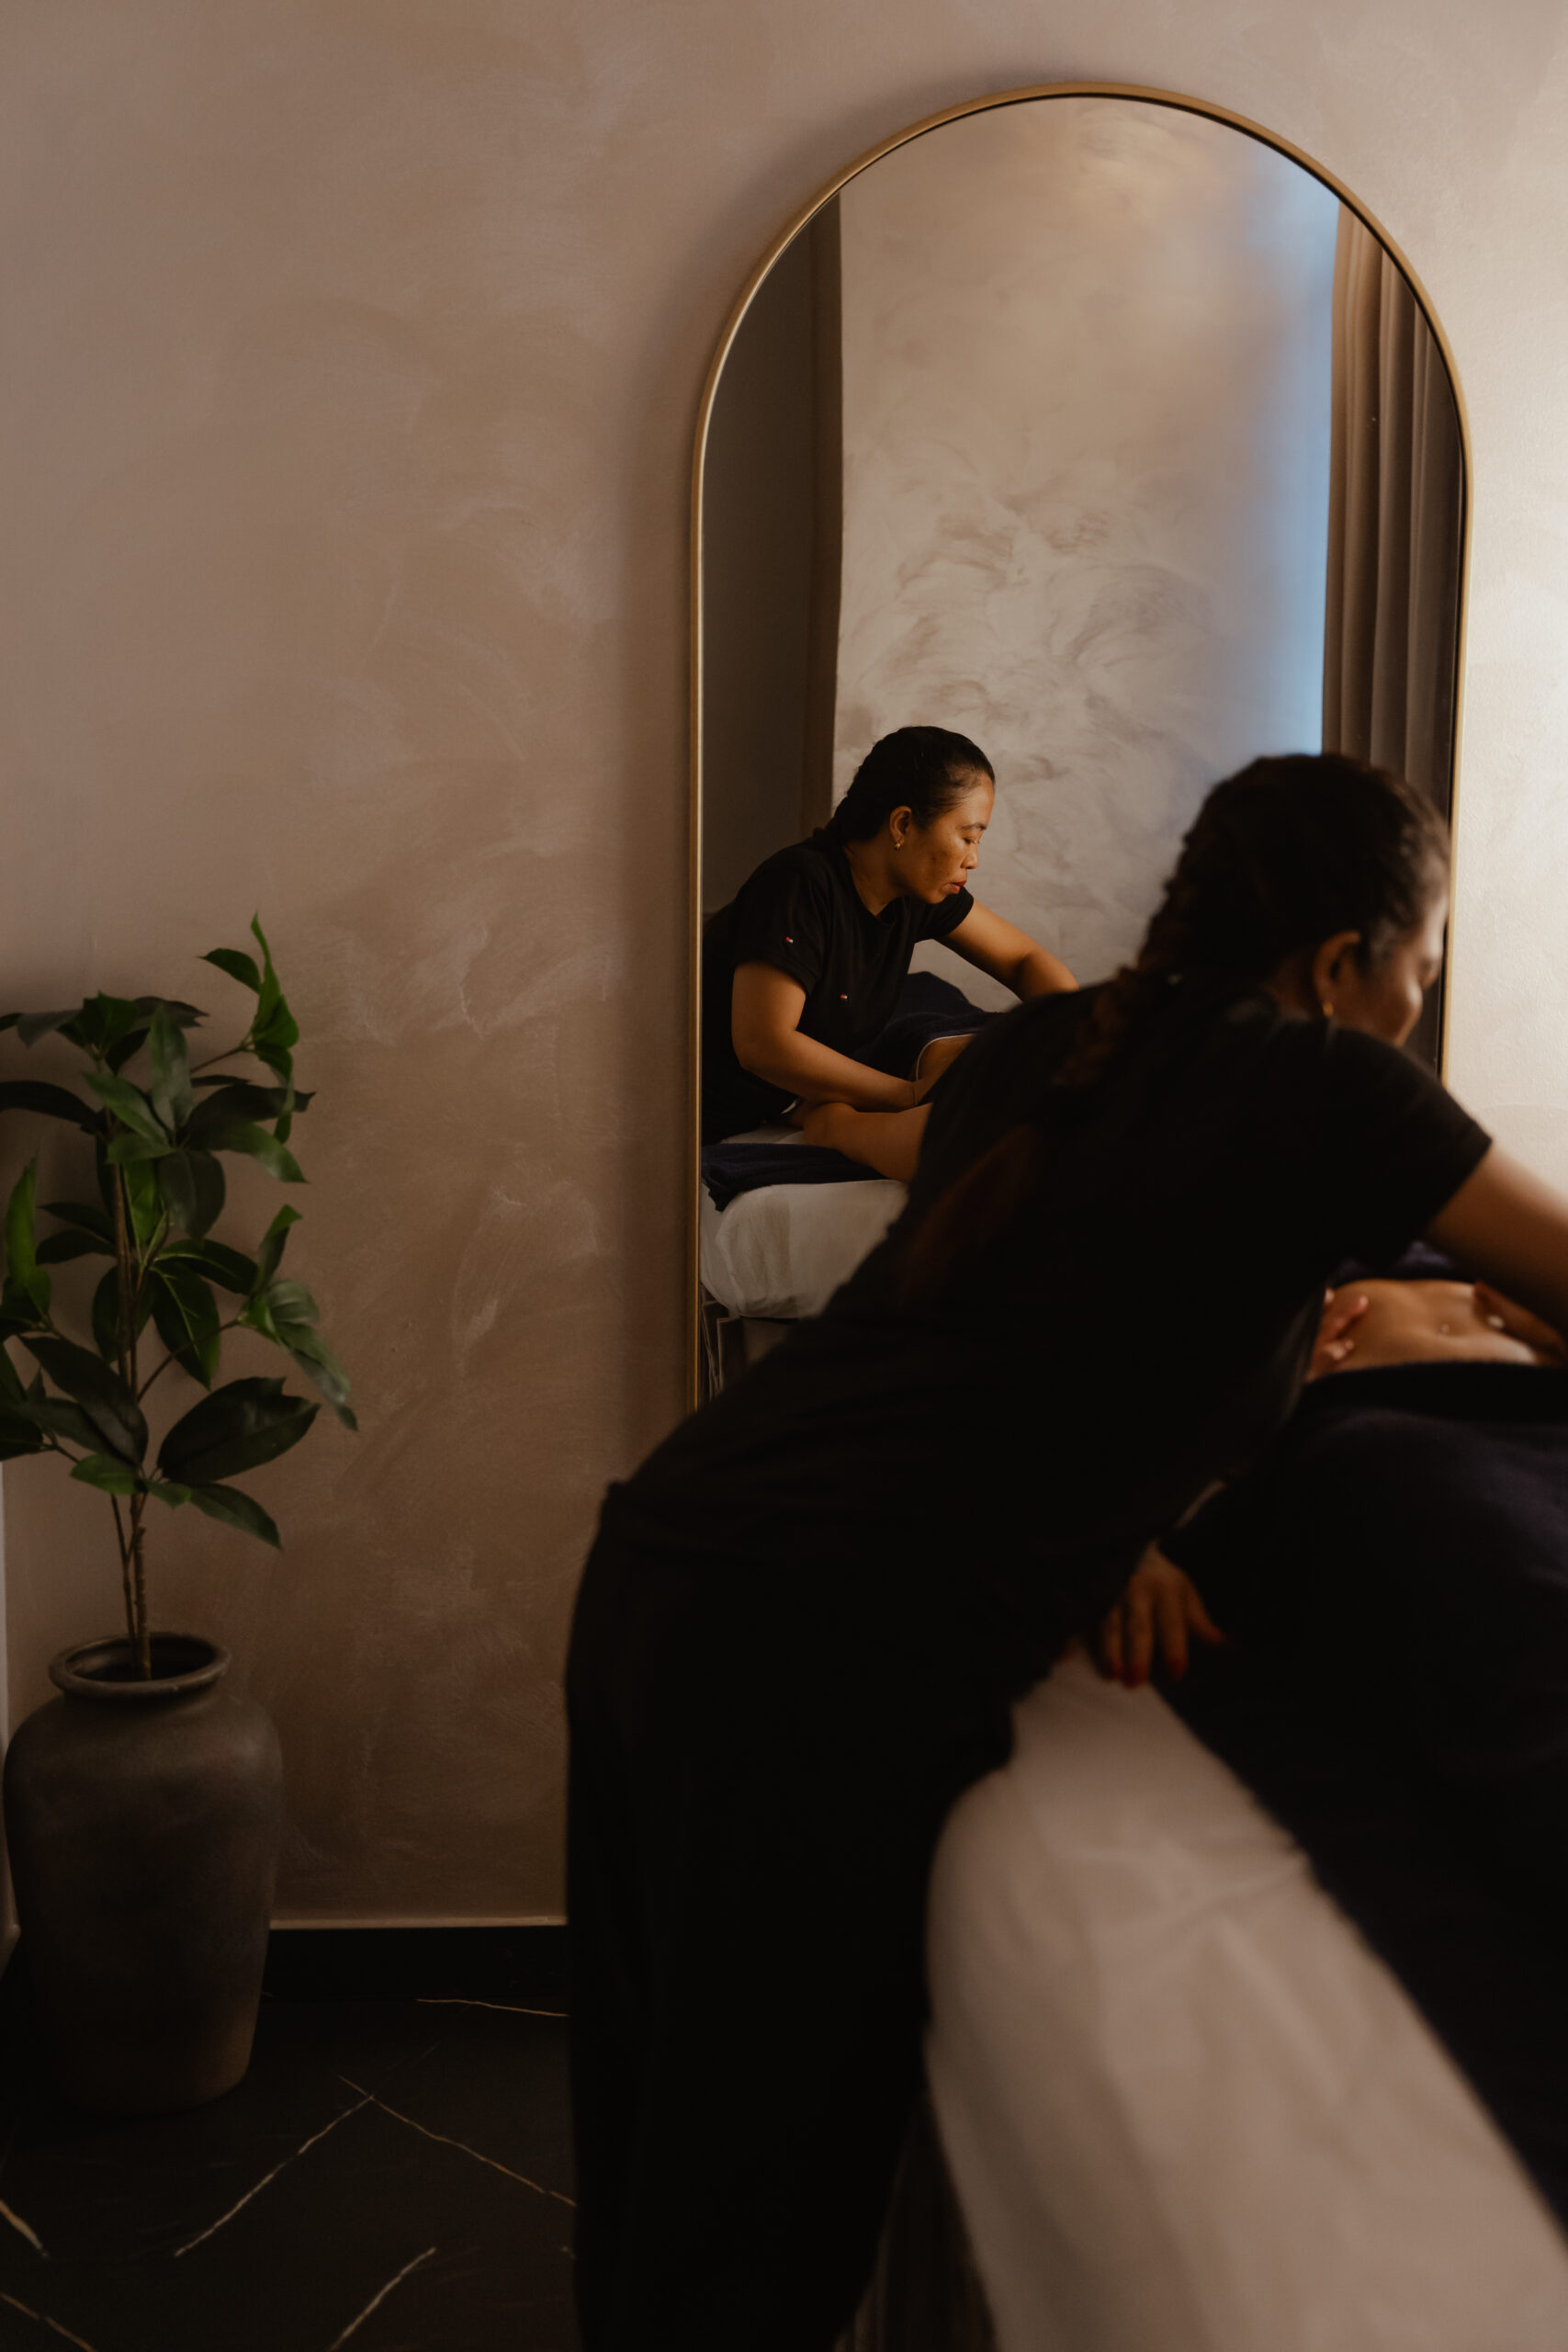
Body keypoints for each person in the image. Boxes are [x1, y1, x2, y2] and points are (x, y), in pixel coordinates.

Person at [568, 752, 1568, 2351]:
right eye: (1419, 969)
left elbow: (995, 1332)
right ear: (1338, 961)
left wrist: (1113, 1535)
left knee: (658, 2182)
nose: (1414, 1007)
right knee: (754, 2236)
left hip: (671, 1555)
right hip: (817, 1641)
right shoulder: (1325, 1081)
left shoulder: (1046, 1045)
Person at [701, 724, 1076, 1150]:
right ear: (903, 825)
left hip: (792, 1098)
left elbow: (1023, 959)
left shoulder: (913, 891)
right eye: (968, 837)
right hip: (714, 1117)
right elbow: (763, 1045)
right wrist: (906, 1096)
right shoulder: (799, 884)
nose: (973, 859)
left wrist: (1082, 1029)